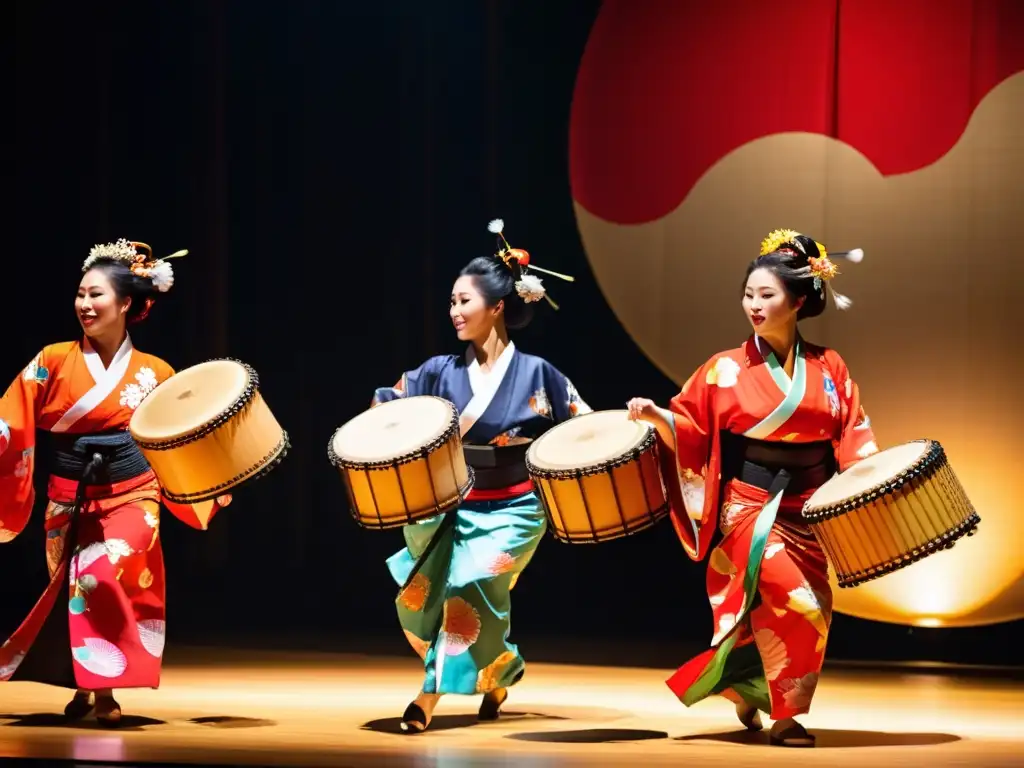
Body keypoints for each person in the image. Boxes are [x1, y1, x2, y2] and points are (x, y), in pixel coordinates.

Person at [627, 229, 877, 747]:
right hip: (750, 502)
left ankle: (745, 685)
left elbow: (852, 432)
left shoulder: (829, 366)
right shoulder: (724, 367)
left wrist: (866, 478)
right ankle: (786, 716)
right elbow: (690, 426)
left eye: (767, 295)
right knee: (797, 600)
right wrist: (656, 417)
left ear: (799, 300)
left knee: (811, 606)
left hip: (810, 503)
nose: (754, 305)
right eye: (748, 294)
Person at [370, 220, 591, 733]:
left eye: (464, 302)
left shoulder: (540, 374)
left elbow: (584, 427)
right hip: (450, 502)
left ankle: (427, 697)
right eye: (450, 302)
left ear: (497, 307)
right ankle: (497, 675)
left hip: (515, 504)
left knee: (470, 583)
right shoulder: (438, 371)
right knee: (420, 597)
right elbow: (388, 401)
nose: (454, 312)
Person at [0, 239, 229, 726]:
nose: (85, 304)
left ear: (126, 303)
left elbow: (178, 437)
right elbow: (9, 419)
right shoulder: (53, 359)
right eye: (80, 294)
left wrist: (210, 474)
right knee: (75, 591)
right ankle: (84, 685)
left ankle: (105, 692)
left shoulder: (156, 372)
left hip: (134, 491)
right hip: (69, 496)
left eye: (96, 295)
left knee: (104, 573)